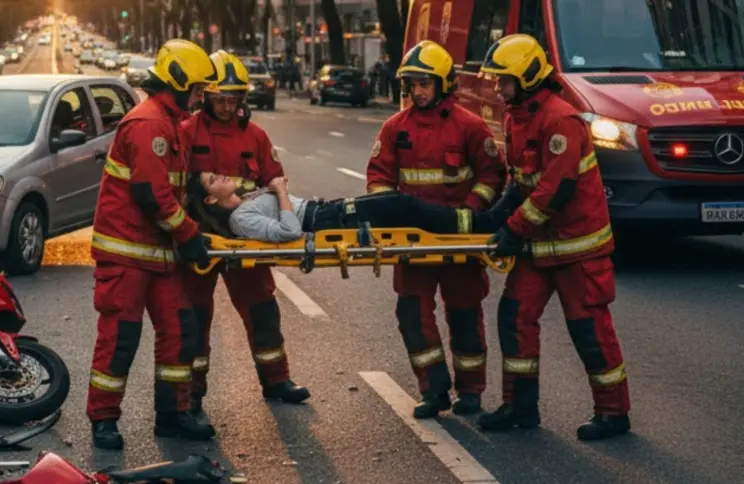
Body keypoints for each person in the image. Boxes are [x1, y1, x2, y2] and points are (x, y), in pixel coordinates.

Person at [477, 34, 631, 440]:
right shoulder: (517, 116)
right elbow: (522, 180)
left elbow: (553, 190)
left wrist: (511, 230)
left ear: (526, 77)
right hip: (537, 242)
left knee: (589, 330)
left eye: (503, 80)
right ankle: (520, 407)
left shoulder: (560, 119)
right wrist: (499, 215)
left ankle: (614, 413)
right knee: (515, 317)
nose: (498, 88)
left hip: (577, 247)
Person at [86, 39, 218, 450]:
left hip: (158, 255)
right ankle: (103, 419)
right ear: (178, 82)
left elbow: (171, 191)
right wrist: (189, 234)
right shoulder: (149, 125)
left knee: (180, 329)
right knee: (120, 337)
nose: (199, 99)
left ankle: (173, 414)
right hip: (127, 255)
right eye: (197, 90)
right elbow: (151, 194)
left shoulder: (168, 123)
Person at [365, 40, 507, 419]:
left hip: (459, 239)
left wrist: (471, 211)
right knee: (412, 313)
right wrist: (390, 216)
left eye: (424, 83)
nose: (417, 91)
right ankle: (433, 388)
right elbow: (378, 179)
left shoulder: (470, 127)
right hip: (412, 242)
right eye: (412, 84)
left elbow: (492, 174)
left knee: (464, 314)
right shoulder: (396, 128)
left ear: (443, 83)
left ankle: (471, 391)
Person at [179, 51, 310, 415]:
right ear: (205, 97)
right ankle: (191, 390)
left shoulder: (255, 135)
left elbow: (274, 178)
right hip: (201, 240)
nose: (226, 106)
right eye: (220, 99)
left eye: (233, 100)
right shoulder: (188, 133)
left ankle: (276, 379)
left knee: (262, 308)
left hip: (246, 241)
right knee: (194, 315)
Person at [186, 171, 507, 241]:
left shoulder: (246, 203)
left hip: (328, 211)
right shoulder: (241, 220)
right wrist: (281, 191)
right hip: (325, 221)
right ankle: (482, 225)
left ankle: (481, 221)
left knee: (402, 205)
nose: (224, 175)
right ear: (212, 199)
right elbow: (289, 231)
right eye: (215, 179)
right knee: (401, 204)